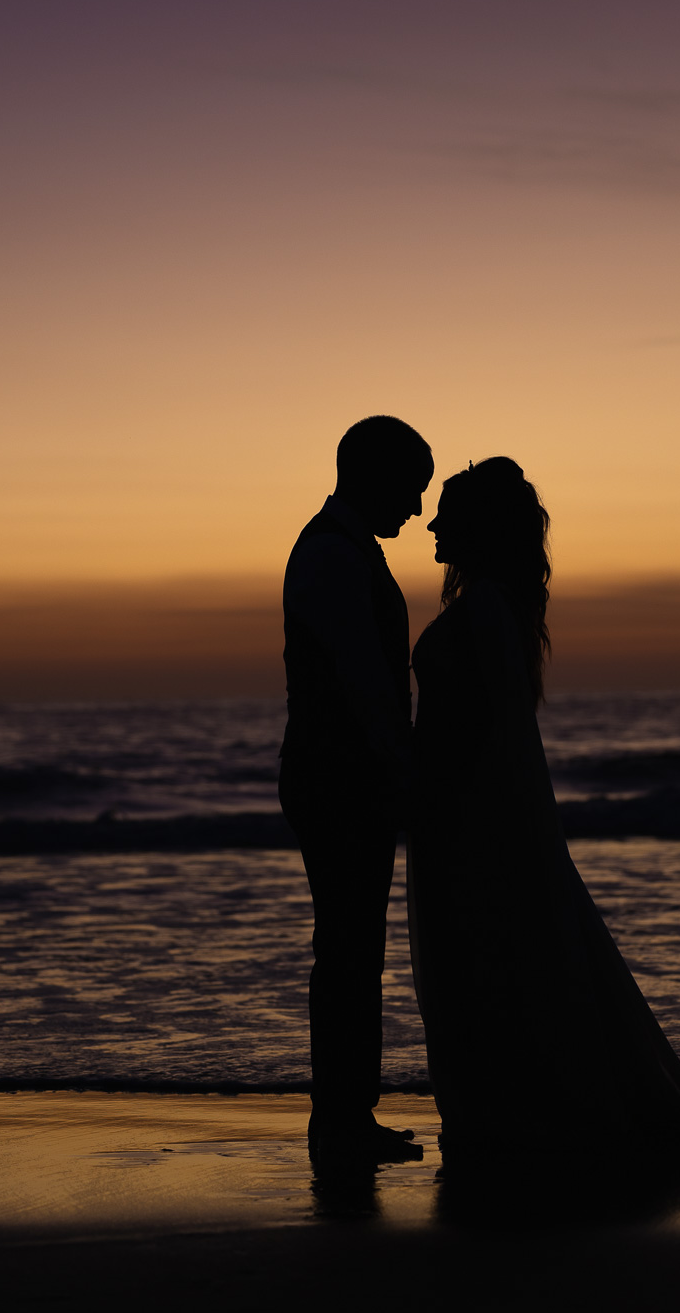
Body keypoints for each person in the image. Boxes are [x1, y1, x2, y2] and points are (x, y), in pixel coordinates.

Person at [408, 457, 680, 1164]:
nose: (432, 524)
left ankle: (512, 1118)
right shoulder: (492, 606)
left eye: (448, 513)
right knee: (472, 969)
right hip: (453, 818)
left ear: (481, 527)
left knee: (480, 967)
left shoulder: (487, 609)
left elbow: (501, 739)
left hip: (469, 824)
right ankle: (499, 1112)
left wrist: (491, 827)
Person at [279, 415, 433, 1165]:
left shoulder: (344, 550)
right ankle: (340, 1118)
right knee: (348, 949)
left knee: (352, 947)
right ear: (372, 475)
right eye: (411, 489)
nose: (416, 508)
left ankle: (346, 1112)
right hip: (338, 780)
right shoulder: (333, 557)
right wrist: (401, 767)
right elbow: (363, 683)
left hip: (340, 776)